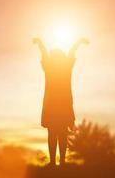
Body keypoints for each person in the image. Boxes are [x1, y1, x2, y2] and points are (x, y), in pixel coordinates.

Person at [33, 37, 89, 166]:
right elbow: (70, 53)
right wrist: (78, 42)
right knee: (60, 134)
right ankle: (60, 162)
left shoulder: (52, 68)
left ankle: (55, 162)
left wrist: (40, 43)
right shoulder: (64, 69)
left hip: (55, 108)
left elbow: (47, 55)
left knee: (54, 134)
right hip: (62, 107)